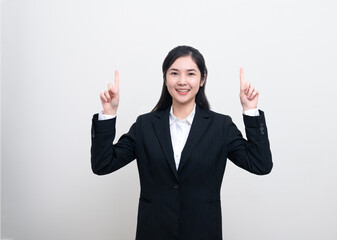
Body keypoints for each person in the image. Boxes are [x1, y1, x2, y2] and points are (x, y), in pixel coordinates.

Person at [90, 45, 272, 240]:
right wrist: (109, 114)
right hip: (153, 232)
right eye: (174, 73)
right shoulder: (145, 125)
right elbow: (103, 164)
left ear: (202, 79)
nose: (182, 81)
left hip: (203, 233)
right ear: (165, 78)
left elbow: (260, 165)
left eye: (191, 74)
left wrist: (250, 111)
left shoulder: (221, 127)